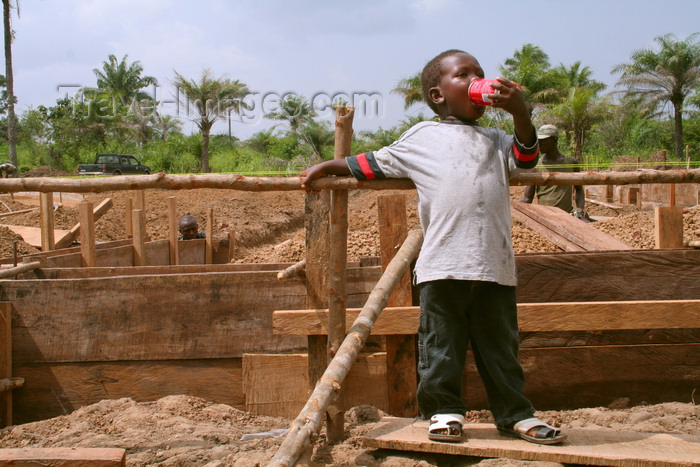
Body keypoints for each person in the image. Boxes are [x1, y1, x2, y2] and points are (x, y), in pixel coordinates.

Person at [301, 49, 566, 445]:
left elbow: (526, 158)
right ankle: (443, 411)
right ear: (438, 95)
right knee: (441, 346)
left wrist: (520, 112)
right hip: (443, 264)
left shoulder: (496, 141)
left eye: (479, 72)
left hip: (494, 266)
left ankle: (515, 414)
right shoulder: (422, 138)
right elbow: (373, 163)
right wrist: (328, 167)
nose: (478, 79)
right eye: (464, 74)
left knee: (501, 349)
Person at [519, 125, 591, 221]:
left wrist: (580, 209)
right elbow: (527, 198)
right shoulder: (536, 166)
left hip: (567, 215)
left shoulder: (571, 163)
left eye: (544, 140)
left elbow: (579, 190)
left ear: (554, 140)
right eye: (539, 140)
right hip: (545, 217)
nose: (540, 143)